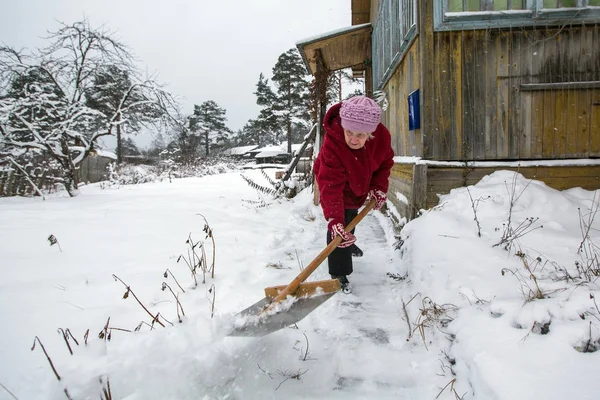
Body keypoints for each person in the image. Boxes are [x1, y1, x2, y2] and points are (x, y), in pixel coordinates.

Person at [313, 95, 394, 293]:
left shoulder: (381, 139)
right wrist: (334, 220)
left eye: (361, 135)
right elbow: (331, 185)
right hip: (335, 181)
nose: (354, 139)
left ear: (371, 134)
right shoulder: (334, 141)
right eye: (349, 132)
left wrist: (378, 187)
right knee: (341, 223)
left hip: (359, 180)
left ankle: (348, 246)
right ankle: (339, 272)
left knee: (352, 216)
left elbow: (384, 164)